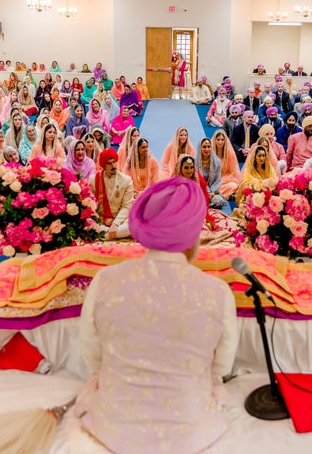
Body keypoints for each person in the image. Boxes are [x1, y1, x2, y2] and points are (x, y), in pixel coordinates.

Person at [74, 175, 237, 454]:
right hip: (193, 428)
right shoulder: (217, 292)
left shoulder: (106, 280)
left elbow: (91, 354)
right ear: (193, 233)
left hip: (112, 424)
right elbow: (221, 368)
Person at [89, 148, 134, 240]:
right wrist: (103, 221)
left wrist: (115, 224)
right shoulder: (94, 179)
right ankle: (113, 234)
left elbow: (126, 206)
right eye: (109, 163)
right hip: (100, 220)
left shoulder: (126, 180)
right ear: (103, 165)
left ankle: (105, 235)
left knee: (134, 224)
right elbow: (90, 205)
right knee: (87, 222)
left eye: (114, 162)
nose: (113, 166)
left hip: (120, 220)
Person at [195, 138, 226, 209]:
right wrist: (204, 192)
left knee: (219, 200)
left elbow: (218, 180)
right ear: (200, 148)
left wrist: (212, 193)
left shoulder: (217, 161)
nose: (207, 149)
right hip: (199, 191)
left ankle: (205, 204)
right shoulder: (194, 162)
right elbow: (194, 180)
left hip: (213, 191)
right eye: (204, 147)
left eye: (209, 147)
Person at [211, 130, 241, 200]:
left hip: (225, 182)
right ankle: (221, 194)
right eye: (218, 139)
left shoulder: (229, 153)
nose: (220, 142)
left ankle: (215, 194)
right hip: (212, 182)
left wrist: (222, 180)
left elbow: (234, 173)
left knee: (233, 185)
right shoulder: (210, 153)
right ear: (214, 140)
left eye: (222, 140)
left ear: (225, 141)